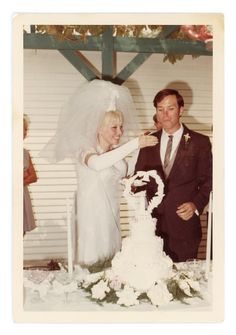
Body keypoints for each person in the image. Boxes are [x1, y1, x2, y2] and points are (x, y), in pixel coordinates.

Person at [41, 80, 157, 268]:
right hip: (91, 217)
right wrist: (135, 143)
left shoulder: (116, 152)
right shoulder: (84, 149)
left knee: (112, 264)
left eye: (121, 127)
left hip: (112, 215)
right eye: (114, 127)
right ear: (98, 127)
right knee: (93, 266)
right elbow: (96, 164)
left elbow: (128, 171)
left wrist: (144, 146)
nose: (120, 132)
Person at [134, 88, 212, 262]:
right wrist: (130, 185)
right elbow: (139, 179)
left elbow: (209, 181)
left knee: (183, 283)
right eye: (160, 109)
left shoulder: (200, 142)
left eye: (170, 108)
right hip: (151, 228)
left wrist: (195, 205)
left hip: (184, 226)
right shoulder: (148, 141)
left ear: (181, 110)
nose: (165, 114)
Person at [24, 114, 37, 236]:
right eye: (25, 129)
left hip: (21, 196)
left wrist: (20, 179)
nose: (26, 133)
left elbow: (33, 176)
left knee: (20, 232)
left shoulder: (25, 153)